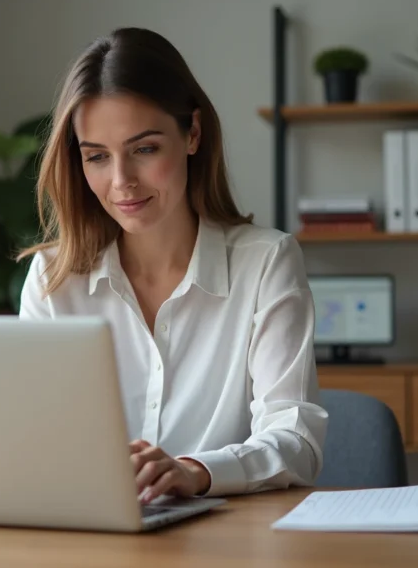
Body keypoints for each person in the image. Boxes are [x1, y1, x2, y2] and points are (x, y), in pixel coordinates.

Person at [18, 27, 328, 503]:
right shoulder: (53, 280)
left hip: (226, 542)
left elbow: (296, 442)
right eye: (97, 157)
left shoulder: (266, 263)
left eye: (144, 149)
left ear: (193, 134)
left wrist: (195, 472)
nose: (121, 182)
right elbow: (33, 439)